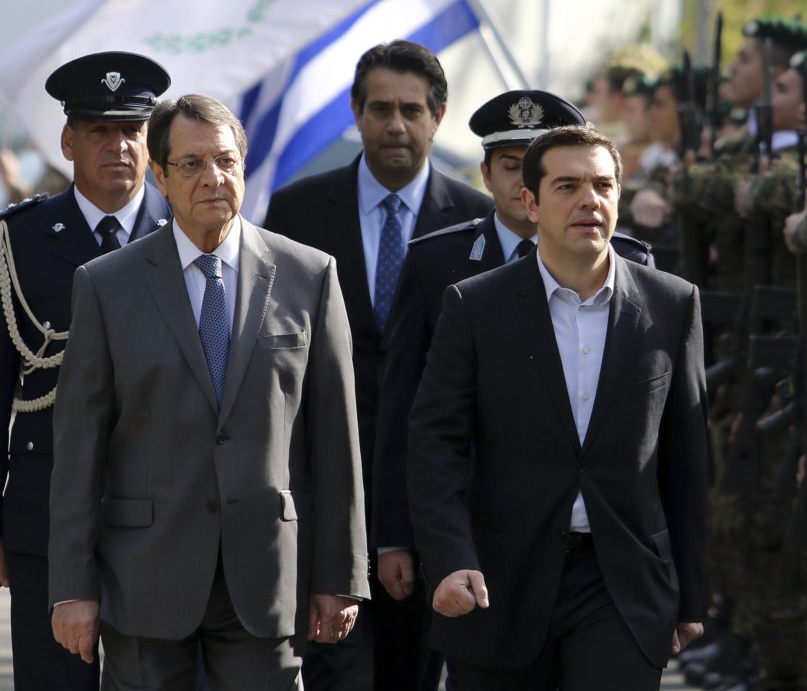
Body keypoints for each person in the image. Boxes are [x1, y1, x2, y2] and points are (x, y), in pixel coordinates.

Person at [48, 94, 369, 688]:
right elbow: (78, 450)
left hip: (267, 576)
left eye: (225, 161)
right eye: (192, 164)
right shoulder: (106, 285)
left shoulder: (309, 275)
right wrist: (71, 587)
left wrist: (342, 574)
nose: (212, 178)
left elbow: (336, 440)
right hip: (144, 576)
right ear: (160, 176)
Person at [407, 125, 707, 690]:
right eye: (567, 186)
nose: (588, 200)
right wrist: (448, 557)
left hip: (620, 585)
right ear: (531, 202)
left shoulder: (671, 303)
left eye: (602, 185)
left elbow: (685, 459)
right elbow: (435, 444)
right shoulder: (475, 305)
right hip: (499, 582)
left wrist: (690, 594)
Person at [262, 39, 493, 690]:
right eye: (381, 109)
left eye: (412, 110)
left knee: (410, 672)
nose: (396, 125)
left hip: (429, 501)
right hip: (322, 487)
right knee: (333, 671)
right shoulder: (298, 211)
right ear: (356, 113)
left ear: (437, 116)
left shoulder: (476, 223)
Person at [372, 90, 652, 604]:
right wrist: (393, 533)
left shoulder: (631, 265)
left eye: (538, 167)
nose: (524, 181)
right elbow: (406, 408)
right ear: (486, 174)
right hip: (472, 530)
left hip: (597, 537)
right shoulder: (437, 262)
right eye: (510, 165)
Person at [0, 51, 172, 690]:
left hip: (165, 510)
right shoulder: (18, 239)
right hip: (45, 512)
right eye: (99, 130)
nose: (118, 146)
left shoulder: (187, 232)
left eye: (131, 130)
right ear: (68, 141)